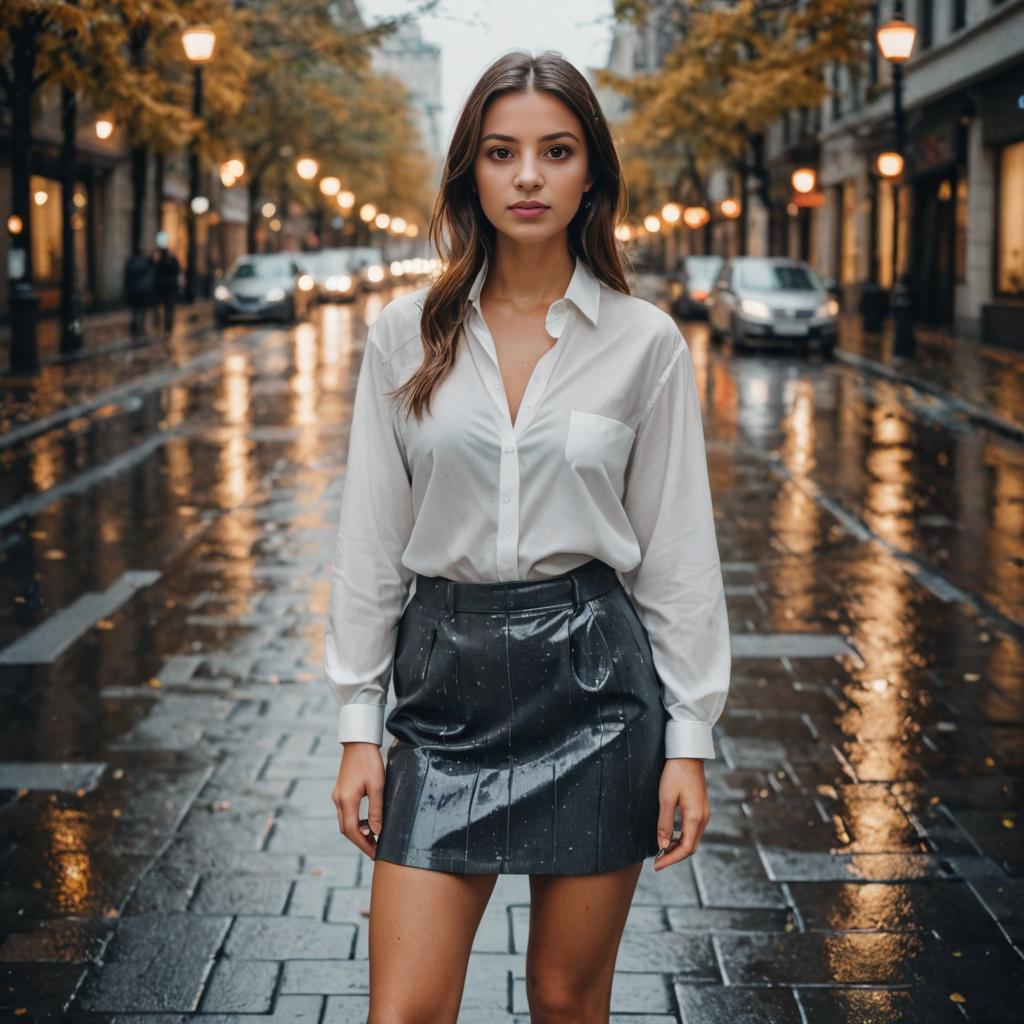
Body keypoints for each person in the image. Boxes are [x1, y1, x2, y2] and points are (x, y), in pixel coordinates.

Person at [323, 51, 730, 1022]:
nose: (529, 176)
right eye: (502, 153)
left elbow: (677, 552)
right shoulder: (406, 333)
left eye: (556, 151)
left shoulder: (642, 342)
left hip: (595, 692)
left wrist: (689, 742)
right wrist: (355, 725)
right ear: (471, 171)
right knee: (405, 1010)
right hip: (442, 688)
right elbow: (371, 540)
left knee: (562, 1000)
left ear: (591, 172)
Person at [152, 232, 181, 335]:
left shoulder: (160, 261)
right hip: (170, 287)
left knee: (163, 307)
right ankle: (167, 328)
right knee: (169, 308)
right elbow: (178, 270)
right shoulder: (172, 259)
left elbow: (155, 273)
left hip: (162, 287)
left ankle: (164, 326)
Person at [122, 246, 154, 338]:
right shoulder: (145, 262)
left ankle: (135, 326)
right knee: (143, 309)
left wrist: (126, 289)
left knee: (135, 310)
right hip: (143, 290)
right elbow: (151, 271)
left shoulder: (130, 263)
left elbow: (127, 278)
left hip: (134, 290)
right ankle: (141, 328)